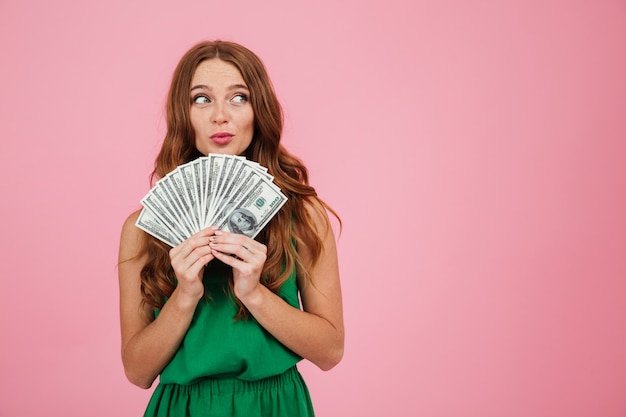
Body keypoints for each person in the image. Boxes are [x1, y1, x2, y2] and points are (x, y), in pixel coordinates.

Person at [117, 40, 344, 417]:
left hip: (276, 406)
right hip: (184, 408)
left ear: (259, 111)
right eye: (201, 99)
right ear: (182, 114)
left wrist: (254, 293)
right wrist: (185, 294)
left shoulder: (304, 216)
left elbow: (330, 351)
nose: (220, 116)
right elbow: (137, 372)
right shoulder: (142, 231)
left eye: (239, 97)